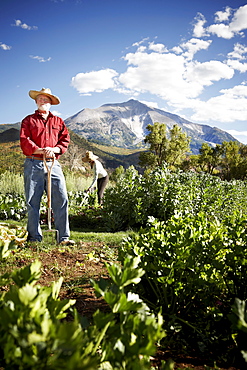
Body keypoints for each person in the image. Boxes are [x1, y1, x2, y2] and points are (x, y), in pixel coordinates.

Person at [20, 87, 75, 246]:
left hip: (53, 164)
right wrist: (40, 150)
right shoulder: (28, 120)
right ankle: (35, 238)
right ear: (36, 101)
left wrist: (55, 149)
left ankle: (63, 238)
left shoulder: (58, 121)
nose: (42, 101)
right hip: (33, 163)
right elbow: (25, 140)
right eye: (40, 99)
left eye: (46, 99)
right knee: (32, 201)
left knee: (61, 198)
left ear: (51, 103)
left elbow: (64, 140)